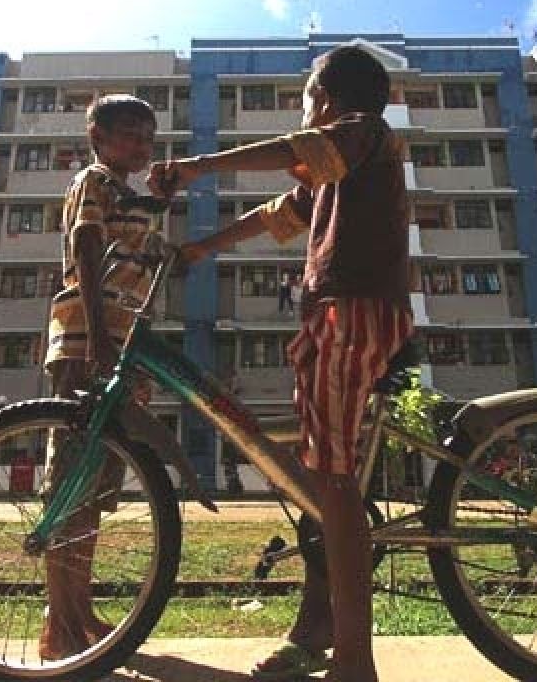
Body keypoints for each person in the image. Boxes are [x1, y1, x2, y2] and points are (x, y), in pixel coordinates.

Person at [149, 45, 412, 682]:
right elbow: (279, 214)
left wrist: (195, 166)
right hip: (334, 314)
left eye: (305, 99)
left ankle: (356, 660)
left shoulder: (362, 134)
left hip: (351, 311)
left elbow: (294, 149)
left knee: (334, 484)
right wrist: (204, 248)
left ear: (324, 98)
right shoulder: (335, 169)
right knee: (316, 480)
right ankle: (317, 627)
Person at [40, 94, 159, 661]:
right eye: (131, 133)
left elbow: (150, 257)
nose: (142, 144)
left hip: (119, 346)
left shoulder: (128, 195)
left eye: (148, 135)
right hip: (90, 342)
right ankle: (57, 623)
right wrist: (100, 339)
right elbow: (86, 251)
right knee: (71, 484)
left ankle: (78, 609)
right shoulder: (93, 181)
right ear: (98, 136)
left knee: (94, 490)